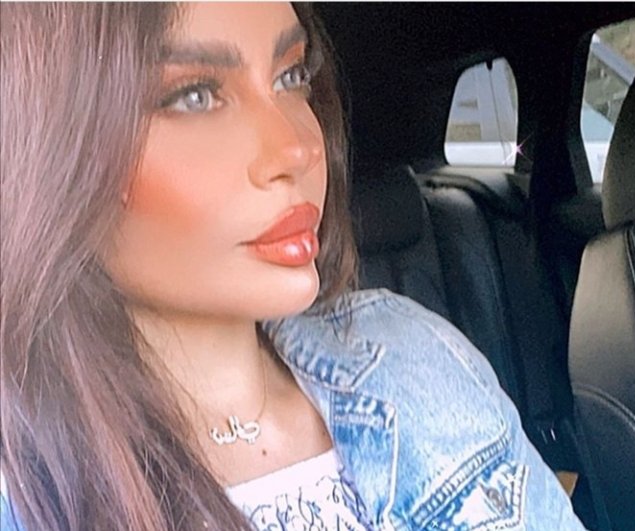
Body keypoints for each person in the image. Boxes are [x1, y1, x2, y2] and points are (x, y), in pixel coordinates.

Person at [0, 3, 587, 530]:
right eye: (194, 96)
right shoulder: (25, 494)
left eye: (291, 76)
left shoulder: (411, 355)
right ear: (43, 151)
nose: (299, 147)